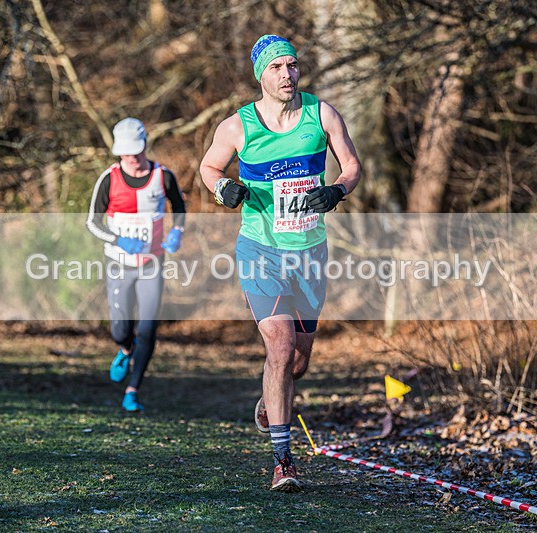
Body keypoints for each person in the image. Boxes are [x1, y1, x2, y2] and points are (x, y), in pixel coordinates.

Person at [199, 35, 361, 491]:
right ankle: (283, 460)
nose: (288, 74)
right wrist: (222, 188)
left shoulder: (321, 114)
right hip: (260, 250)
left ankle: (273, 401)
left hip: (310, 252)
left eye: (292, 65)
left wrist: (337, 189)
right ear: (261, 75)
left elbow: (351, 165)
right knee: (280, 346)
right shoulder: (238, 127)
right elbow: (208, 168)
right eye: (277, 68)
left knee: (298, 362)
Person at [87, 117, 186, 412]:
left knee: (147, 327)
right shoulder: (109, 178)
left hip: (152, 263)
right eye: (125, 153)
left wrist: (177, 233)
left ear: (144, 147)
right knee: (121, 329)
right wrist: (117, 239)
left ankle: (132, 390)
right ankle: (124, 349)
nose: (131, 158)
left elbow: (179, 207)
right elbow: (91, 221)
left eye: (136, 151)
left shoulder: (162, 175)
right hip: (119, 262)